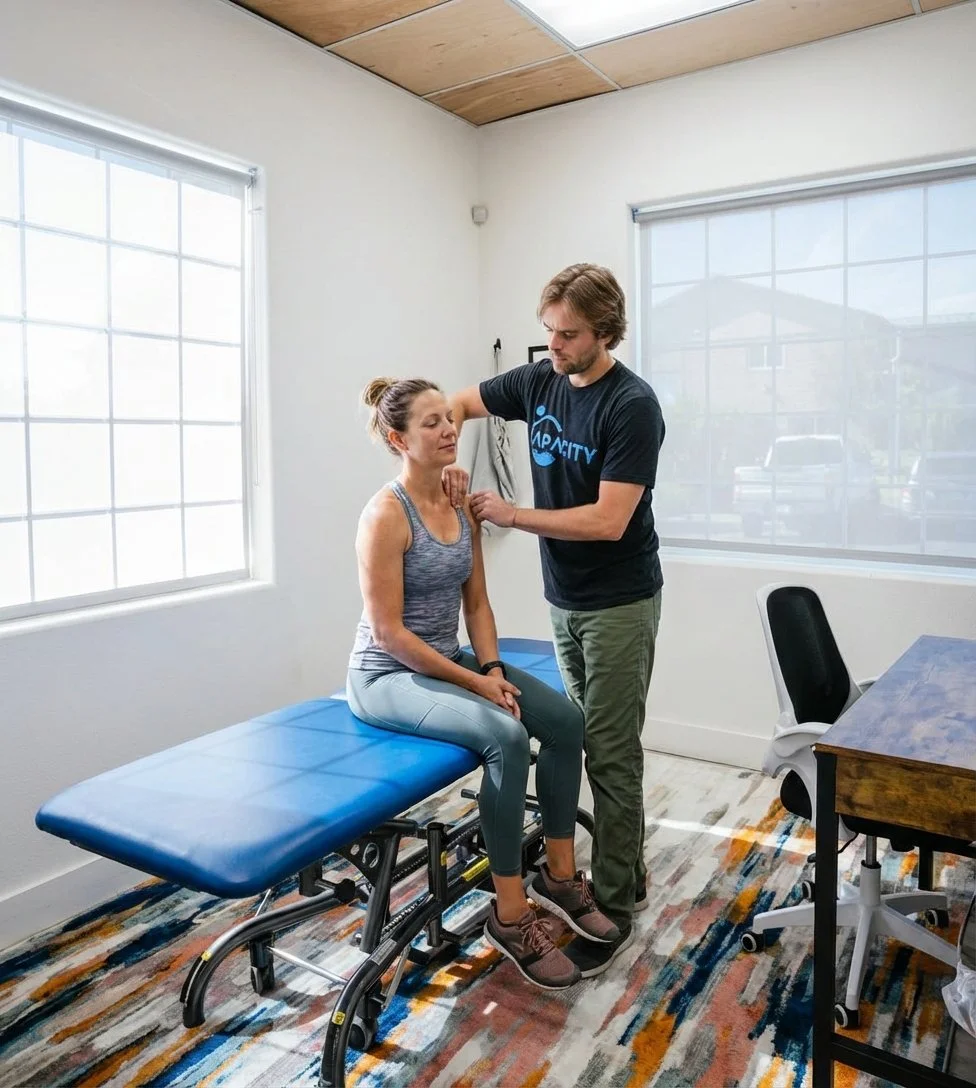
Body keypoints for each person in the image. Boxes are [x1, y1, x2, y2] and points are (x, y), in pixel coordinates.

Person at [346, 375, 620, 991]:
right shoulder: (385, 515)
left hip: (449, 655)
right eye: (431, 423)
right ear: (398, 438)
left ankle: (557, 874)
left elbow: (478, 607)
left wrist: (490, 670)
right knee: (507, 737)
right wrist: (474, 684)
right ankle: (511, 914)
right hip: (386, 674)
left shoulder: (460, 501)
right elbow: (389, 634)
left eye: (450, 417)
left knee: (566, 721)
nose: (449, 430)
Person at [445, 263, 666, 978]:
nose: (555, 345)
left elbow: (608, 520)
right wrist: (432, 463)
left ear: (605, 332)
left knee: (609, 747)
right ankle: (589, 874)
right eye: (548, 331)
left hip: (620, 598)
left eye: (568, 335)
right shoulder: (539, 380)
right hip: (562, 598)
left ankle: (617, 895)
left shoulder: (632, 404)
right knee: (575, 730)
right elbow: (452, 404)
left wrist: (511, 514)